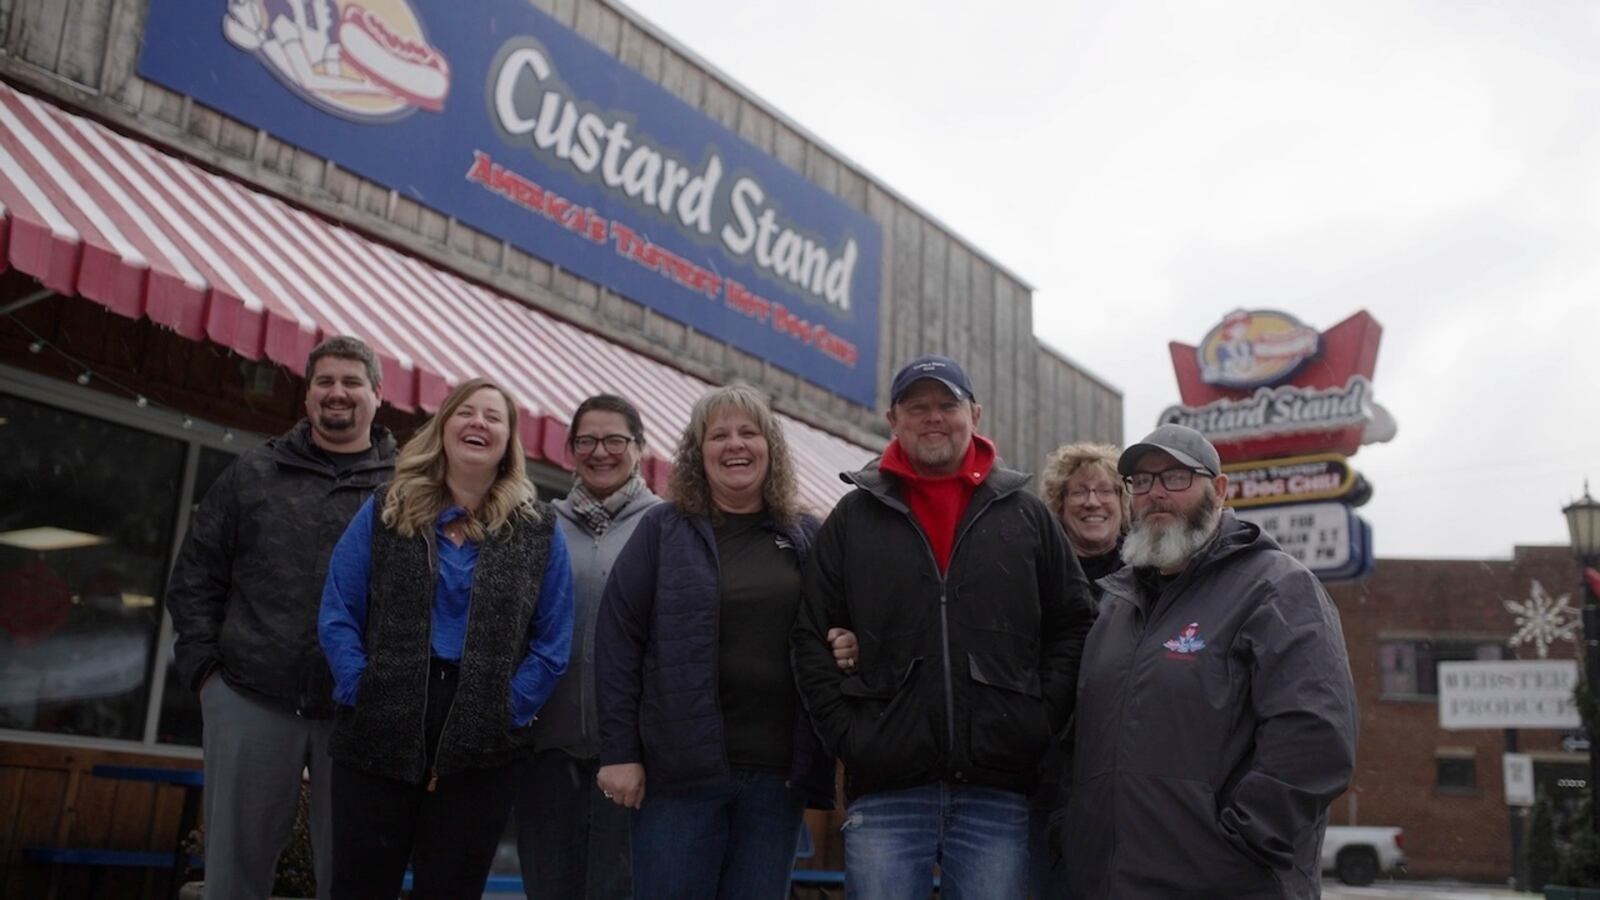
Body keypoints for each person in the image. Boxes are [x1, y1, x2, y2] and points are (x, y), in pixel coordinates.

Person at [791, 354, 1094, 900]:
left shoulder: (1025, 515)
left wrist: (1036, 720)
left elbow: (1073, 625)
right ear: (893, 420)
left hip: (998, 791)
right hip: (885, 790)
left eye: (947, 405)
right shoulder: (853, 517)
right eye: (917, 406)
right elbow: (811, 635)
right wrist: (851, 737)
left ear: (974, 414)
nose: (933, 418)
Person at [1064, 424, 1357, 899]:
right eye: (1141, 481)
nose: (1156, 493)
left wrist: (1242, 843)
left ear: (1219, 490)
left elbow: (1315, 739)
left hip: (1230, 883)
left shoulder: (1278, 588)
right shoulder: (1115, 606)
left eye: (1177, 477)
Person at [318, 377, 574, 900]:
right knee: (358, 887)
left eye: (493, 417)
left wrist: (510, 708)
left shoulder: (539, 530)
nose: (478, 423)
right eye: (466, 412)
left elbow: (553, 639)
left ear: (508, 442)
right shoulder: (388, 509)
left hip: (484, 739)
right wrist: (358, 686)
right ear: (444, 426)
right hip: (379, 724)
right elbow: (339, 609)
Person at [166, 335, 395, 900]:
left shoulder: (406, 489)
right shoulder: (253, 473)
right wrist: (207, 678)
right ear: (307, 393)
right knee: (233, 878)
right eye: (324, 382)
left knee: (355, 878)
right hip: (250, 695)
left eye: (351, 382)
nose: (336, 393)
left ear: (377, 395)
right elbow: (196, 575)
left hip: (358, 711)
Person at [594, 383, 834, 900]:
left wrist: (846, 643)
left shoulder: (806, 535)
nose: (735, 445)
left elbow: (833, 627)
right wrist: (620, 751)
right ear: (697, 453)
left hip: (776, 779)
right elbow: (618, 639)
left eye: (749, 432)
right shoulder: (663, 529)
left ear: (771, 448)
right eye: (718, 435)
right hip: (678, 776)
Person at [515, 394, 661, 900]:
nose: (601, 451)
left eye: (615, 440)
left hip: (631, 758)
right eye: (587, 441)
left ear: (639, 448)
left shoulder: (667, 528)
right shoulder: (538, 525)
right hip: (547, 751)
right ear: (570, 449)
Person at [1031, 441, 1130, 898]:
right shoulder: (1031, 571)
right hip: (1044, 782)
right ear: (1059, 503)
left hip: (1127, 785)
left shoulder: (1156, 576)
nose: (1093, 501)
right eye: (1079, 492)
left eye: (1107, 490)